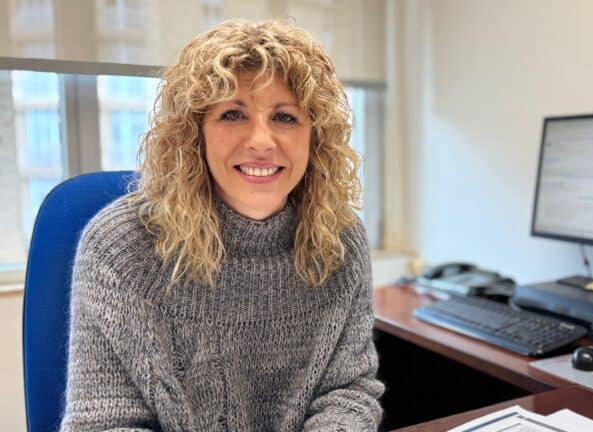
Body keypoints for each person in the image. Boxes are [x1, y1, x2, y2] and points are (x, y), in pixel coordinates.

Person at [61, 19, 384, 431]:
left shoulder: (339, 238)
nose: (261, 141)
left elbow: (349, 390)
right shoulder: (121, 248)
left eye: (285, 117)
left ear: (315, 137)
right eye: (233, 114)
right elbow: (103, 424)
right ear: (194, 132)